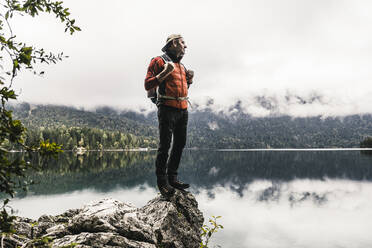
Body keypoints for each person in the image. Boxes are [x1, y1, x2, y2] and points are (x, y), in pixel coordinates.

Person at [144, 34, 194, 198]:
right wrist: (164, 73)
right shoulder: (158, 61)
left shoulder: (182, 66)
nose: (185, 46)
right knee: (165, 145)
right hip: (166, 109)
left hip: (183, 110)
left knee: (180, 143)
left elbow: (180, 88)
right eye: (182, 42)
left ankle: (173, 178)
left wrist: (190, 81)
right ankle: (162, 182)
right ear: (173, 44)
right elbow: (147, 84)